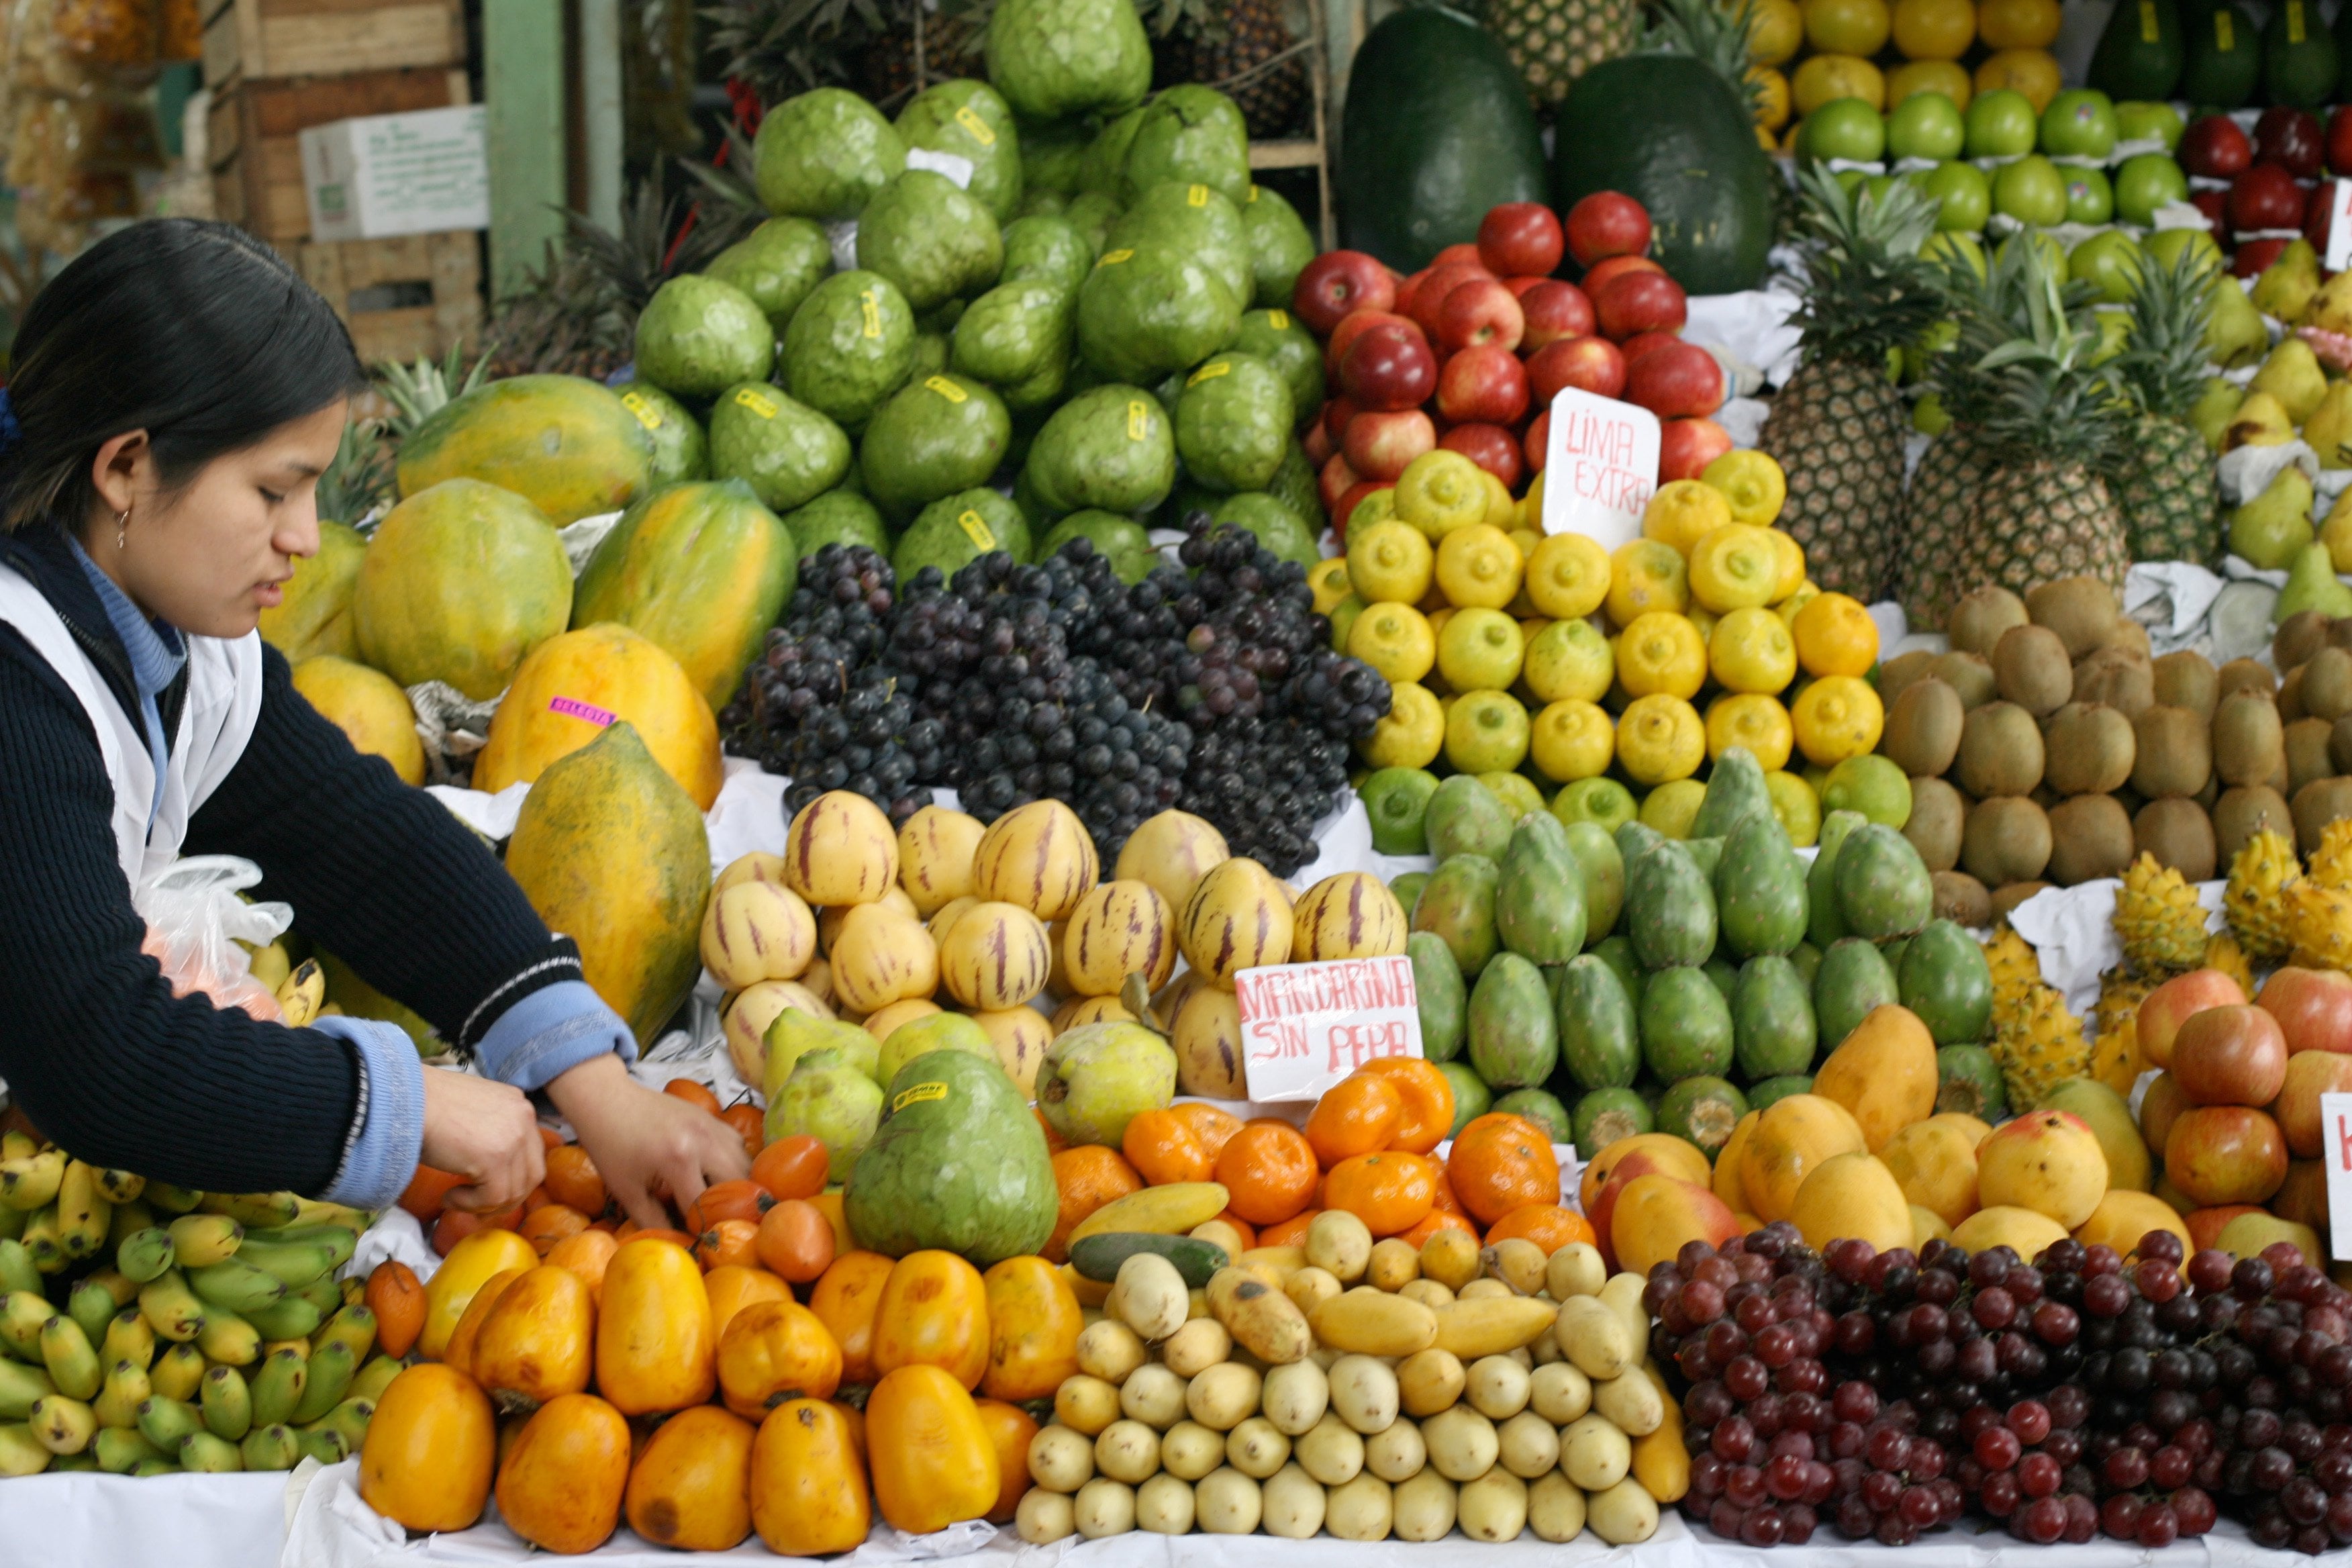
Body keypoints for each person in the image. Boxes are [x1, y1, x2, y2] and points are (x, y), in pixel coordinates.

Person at [0, 219, 748, 1226]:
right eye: (273, 490)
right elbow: (91, 1052)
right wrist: (392, 1102)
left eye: (312, 487)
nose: (305, 539)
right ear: (126, 466)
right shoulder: (16, 676)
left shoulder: (177, 633)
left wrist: (583, 1068)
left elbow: (352, 835)